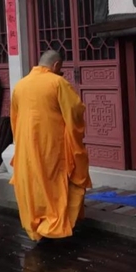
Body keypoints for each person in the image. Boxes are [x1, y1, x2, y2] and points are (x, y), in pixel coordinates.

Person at [9, 50, 91, 241]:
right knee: (56, 182)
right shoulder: (57, 82)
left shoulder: (20, 85)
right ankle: (55, 225)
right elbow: (74, 111)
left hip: (27, 147)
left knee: (34, 184)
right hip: (52, 145)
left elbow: (15, 119)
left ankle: (37, 225)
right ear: (56, 65)